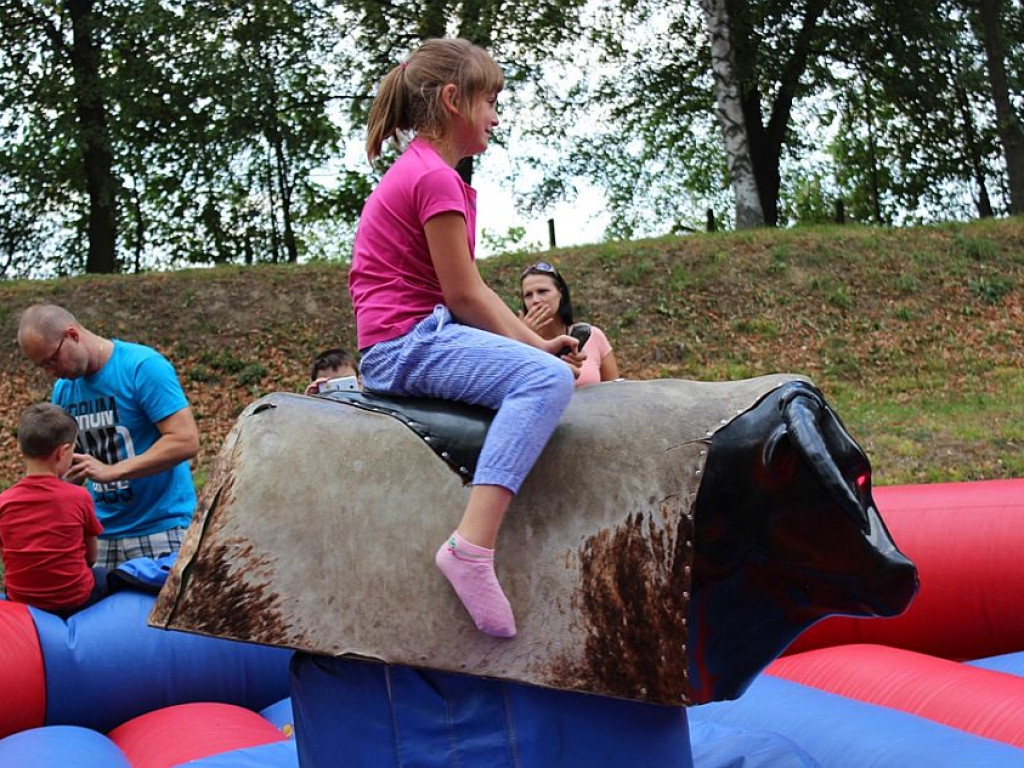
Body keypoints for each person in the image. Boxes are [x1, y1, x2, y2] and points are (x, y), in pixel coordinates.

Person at [348, 38, 582, 638]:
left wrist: (534, 342)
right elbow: (466, 296)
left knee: (543, 365)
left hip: (412, 331)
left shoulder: (425, 171)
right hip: (406, 341)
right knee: (546, 380)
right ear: (453, 100)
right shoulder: (433, 179)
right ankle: (471, 547)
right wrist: (537, 355)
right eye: (490, 101)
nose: (497, 117)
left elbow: (469, 291)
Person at [17, 304, 200, 569]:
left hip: (161, 529)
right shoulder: (64, 391)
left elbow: (185, 440)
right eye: (41, 366)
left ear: (72, 335)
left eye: (51, 360)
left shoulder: (142, 367)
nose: (50, 372)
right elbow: (69, 460)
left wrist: (113, 471)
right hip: (100, 535)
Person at [0, 403, 108, 617]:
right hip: (75, 599)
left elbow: (8, 554)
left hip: (21, 599)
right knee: (103, 575)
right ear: (63, 452)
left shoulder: (4, 502)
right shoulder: (79, 496)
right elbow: (91, 557)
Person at [519, 262, 620, 386]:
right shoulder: (516, 344)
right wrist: (523, 340)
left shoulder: (592, 335)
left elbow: (615, 391)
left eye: (542, 291)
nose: (536, 300)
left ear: (560, 293)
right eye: (528, 295)